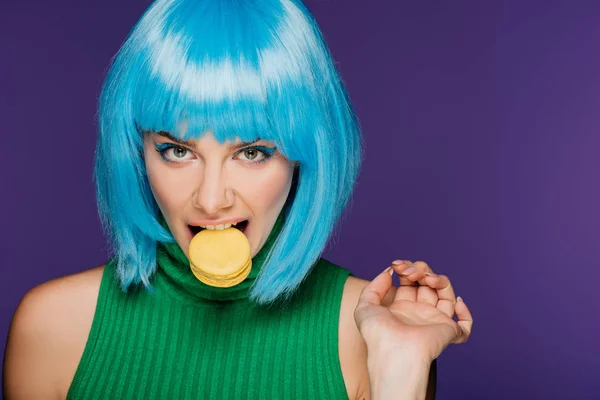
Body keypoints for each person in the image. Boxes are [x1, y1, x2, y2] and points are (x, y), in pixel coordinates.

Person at [3, 0, 473, 398]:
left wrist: (400, 372)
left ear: (304, 154)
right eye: (177, 151)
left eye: (251, 152)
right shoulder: (53, 328)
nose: (211, 200)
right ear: (136, 150)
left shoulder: (375, 332)